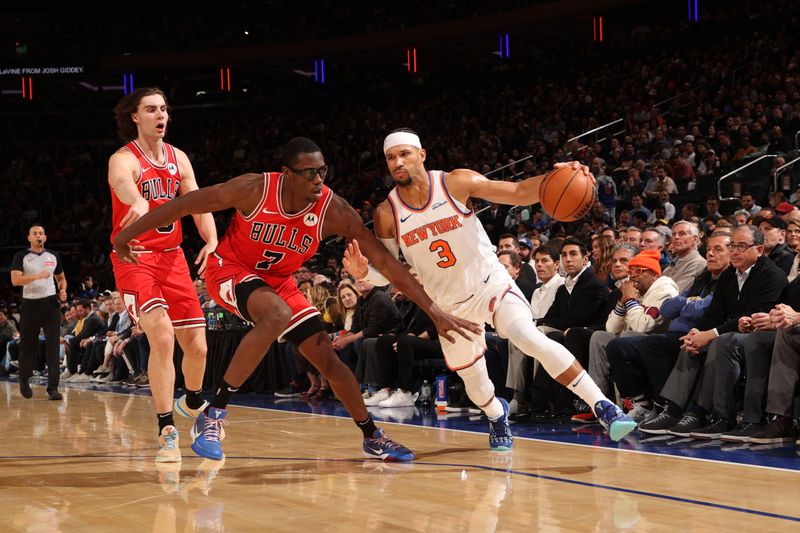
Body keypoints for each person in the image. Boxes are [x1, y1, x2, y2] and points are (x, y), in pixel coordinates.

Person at [113, 136, 479, 462]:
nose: (318, 180)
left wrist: (433, 310)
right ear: (286, 173)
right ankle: (213, 414)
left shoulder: (333, 209)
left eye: (322, 172)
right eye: (308, 173)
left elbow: (385, 261)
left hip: (278, 282)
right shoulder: (254, 189)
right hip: (230, 270)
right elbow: (186, 204)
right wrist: (125, 236)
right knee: (275, 314)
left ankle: (372, 436)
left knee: (327, 358)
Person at [346, 129, 636, 448]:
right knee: (478, 386)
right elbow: (389, 271)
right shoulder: (387, 214)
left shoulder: (455, 183)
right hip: (448, 308)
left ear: (422, 155)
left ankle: (603, 407)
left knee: (527, 336)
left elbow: (518, 191)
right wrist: (365, 273)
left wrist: (555, 177)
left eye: (404, 154)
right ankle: (496, 414)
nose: (398, 162)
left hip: (490, 284)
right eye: (391, 157)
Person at [107, 87, 219, 463]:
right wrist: (136, 200)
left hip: (173, 258)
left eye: (165, 109)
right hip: (135, 257)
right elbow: (123, 183)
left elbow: (198, 202)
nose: (161, 115)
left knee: (199, 347)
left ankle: (190, 401)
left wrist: (212, 237)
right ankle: (166, 427)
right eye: (152, 109)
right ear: (136, 117)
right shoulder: (124, 159)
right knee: (162, 336)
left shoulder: (178, 158)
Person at [9, 225, 67, 400]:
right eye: (35, 234)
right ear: (29, 238)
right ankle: (24, 379)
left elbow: (61, 278)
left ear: (45, 237)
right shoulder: (22, 256)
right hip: (30, 305)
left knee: (52, 346)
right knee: (28, 346)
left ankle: (53, 388)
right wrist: (36, 276)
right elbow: (15, 280)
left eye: (41, 233)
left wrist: (63, 291)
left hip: (50, 305)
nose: (38, 236)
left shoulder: (53, 256)